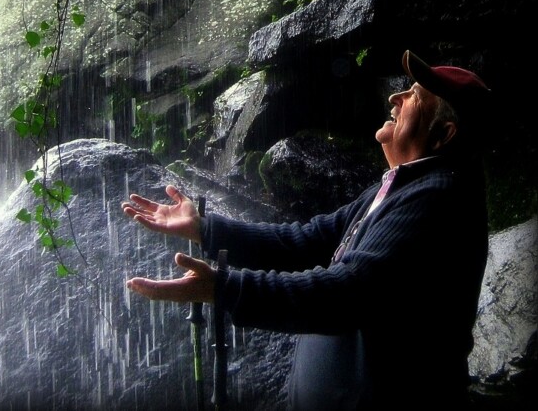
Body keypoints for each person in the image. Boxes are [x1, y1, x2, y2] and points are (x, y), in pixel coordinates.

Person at [122, 50, 491, 410]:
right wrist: (206, 230)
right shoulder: (404, 187)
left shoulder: (439, 196)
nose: (397, 97)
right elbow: (307, 242)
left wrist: (225, 288)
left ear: (443, 134)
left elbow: (348, 291)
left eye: (415, 96)